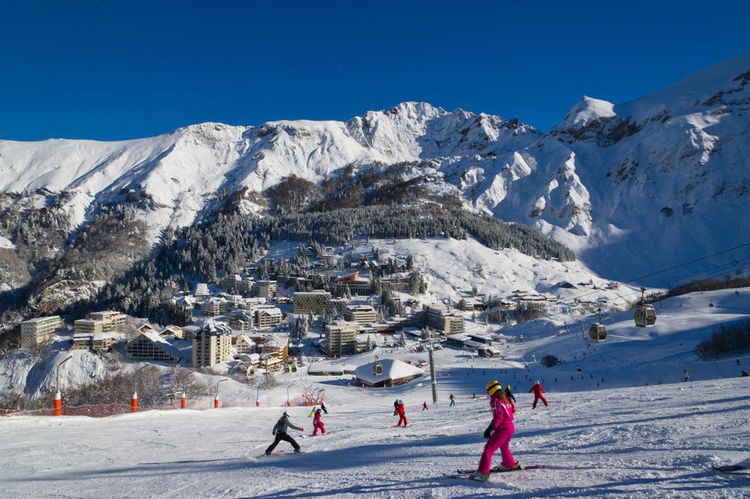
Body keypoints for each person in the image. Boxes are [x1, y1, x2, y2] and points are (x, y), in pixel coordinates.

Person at [470, 380, 519, 481]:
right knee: (504, 446)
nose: (487, 393)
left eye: (488, 390)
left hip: (503, 428)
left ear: (492, 390)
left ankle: (483, 472)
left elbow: (499, 417)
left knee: (489, 449)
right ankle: (508, 464)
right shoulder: (504, 397)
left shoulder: (495, 400)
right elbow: (512, 411)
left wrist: (491, 428)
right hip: (510, 426)